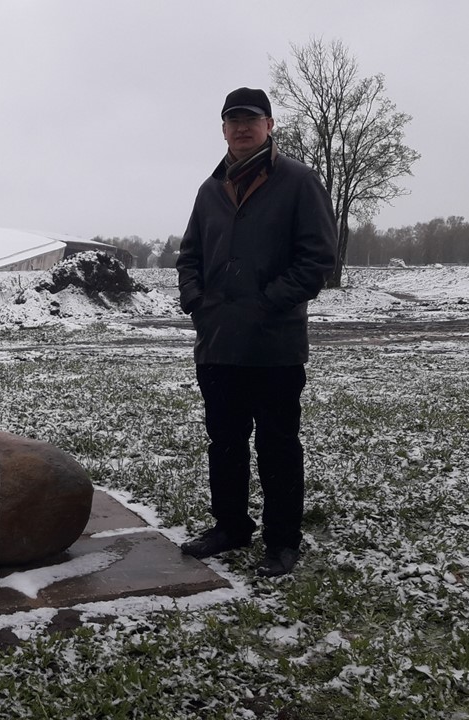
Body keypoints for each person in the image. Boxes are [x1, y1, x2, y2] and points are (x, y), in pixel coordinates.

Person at [175, 87, 337, 577]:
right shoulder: (210, 189)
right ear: (223, 129)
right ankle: (230, 526)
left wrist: (269, 303)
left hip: (274, 346)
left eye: (252, 119)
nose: (242, 128)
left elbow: (317, 260)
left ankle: (282, 541)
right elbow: (189, 257)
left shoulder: (298, 182)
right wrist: (197, 303)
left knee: (277, 444)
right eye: (233, 120)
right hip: (218, 345)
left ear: (269, 126)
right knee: (223, 441)